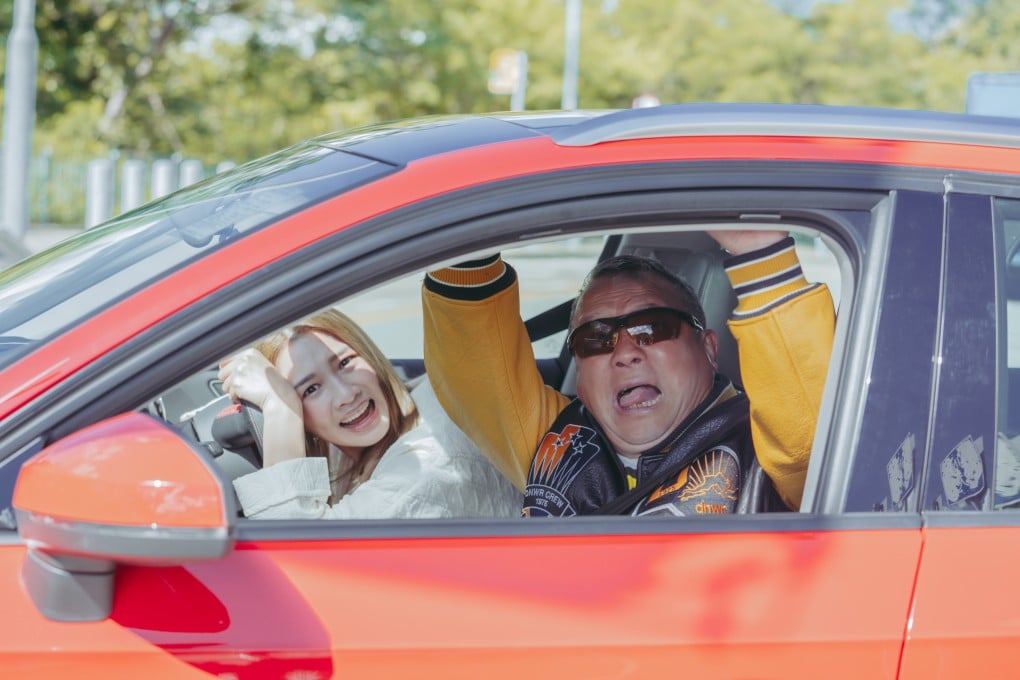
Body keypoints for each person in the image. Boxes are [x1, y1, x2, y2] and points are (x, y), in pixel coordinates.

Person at [422, 231, 835, 516]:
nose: (624, 353)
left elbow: (811, 432)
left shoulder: (766, 449)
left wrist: (757, 250)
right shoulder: (555, 443)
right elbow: (475, 364)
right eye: (595, 339)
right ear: (580, 375)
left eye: (652, 328)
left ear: (708, 348)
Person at [218, 308, 522, 519]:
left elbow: (302, 561)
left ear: (369, 354)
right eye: (310, 390)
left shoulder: (426, 468)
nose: (346, 394)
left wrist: (280, 410)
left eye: (345, 363)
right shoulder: (359, 444)